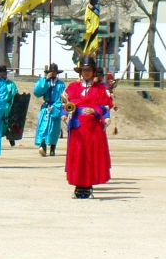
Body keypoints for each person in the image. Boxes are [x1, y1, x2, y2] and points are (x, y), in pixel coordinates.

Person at [63, 56, 113, 199]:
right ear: (80, 71)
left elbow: (106, 107)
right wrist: (65, 111)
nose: (86, 73)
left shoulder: (100, 89)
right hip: (77, 128)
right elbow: (65, 105)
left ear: (93, 72)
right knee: (78, 156)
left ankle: (88, 187)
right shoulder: (73, 87)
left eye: (89, 70)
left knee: (90, 156)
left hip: (92, 129)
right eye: (84, 70)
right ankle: (78, 187)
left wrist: (94, 111)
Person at [34, 63, 65, 157]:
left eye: (55, 72)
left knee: (54, 130)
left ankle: (52, 148)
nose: (53, 74)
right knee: (43, 127)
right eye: (52, 72)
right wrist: (46, 80)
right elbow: (37, 92)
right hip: (46, 107)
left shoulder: (60, 84)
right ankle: (42, 146)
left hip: (56, 108)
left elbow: (62, 98)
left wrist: (55, 107)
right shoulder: (45, 82)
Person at [0, 65, 20, 146]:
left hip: (8, 106)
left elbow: (14, 95)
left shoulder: (11, 84)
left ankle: (11, 138)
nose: (3, 76)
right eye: (1, 74)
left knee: (9, 123)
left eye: (4, 74)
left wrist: (14, 108)